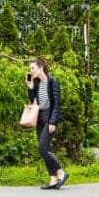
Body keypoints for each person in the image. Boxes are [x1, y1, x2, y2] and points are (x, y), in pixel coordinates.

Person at [26, 57, 68, 190]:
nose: (31, 71)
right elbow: (34, 102)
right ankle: (53, 179)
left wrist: (53, 121)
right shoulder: (36, 83)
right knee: (44, 150)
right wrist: (31, 88)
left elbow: (56, 104)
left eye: (33, 68)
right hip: (40, 118)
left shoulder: (52, 82)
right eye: (30, 68)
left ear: (41, 68)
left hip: (50, 117)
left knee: (42, 149)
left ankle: (61, 172)